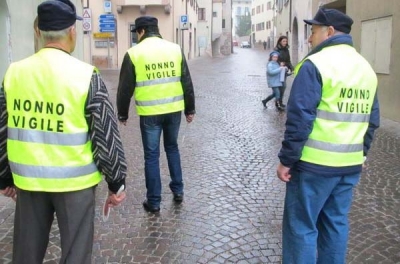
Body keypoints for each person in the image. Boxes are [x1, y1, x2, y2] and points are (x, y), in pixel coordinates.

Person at [0, 1, 127, 263]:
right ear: (71, 32)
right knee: (76, 255)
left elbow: (2, 128)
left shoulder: (14, 73)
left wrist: (3, 178)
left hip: (29, 182)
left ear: (39, 32)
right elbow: (105, 136)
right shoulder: (85, 76)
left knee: (26, 255)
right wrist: (116, 183)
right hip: (75, 185)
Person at [276, 7, 380, 264]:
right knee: (335, 224)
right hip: (349, 165)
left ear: (329, 31)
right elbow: (372, 120)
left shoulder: (315, 64)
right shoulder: (365, 67)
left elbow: (300, 119)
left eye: (313, 32)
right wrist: (361, 153)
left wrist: (287, 159)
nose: (310, 38)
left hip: (313, 167)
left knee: (301, 226)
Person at [117, 16, 195, 213]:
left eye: (137, 33)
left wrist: (122, 113)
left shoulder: (134, 53)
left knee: (151, 156)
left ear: (141, 31)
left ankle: (154, 202)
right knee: (172, 148)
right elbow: (186, 80)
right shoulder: (174, 49)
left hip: (150, 113)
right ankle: (178, 191)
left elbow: (125, 88)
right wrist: (190, 109)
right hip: (173, 110)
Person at [274, 36, 294, 108]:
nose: (285, 43)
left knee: (283, 87)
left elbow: (288, 61)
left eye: (286, 41)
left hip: (284, 70)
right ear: (280, 41)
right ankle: (278, 101)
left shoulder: (286, 50)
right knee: (280, 87)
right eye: (283, 41)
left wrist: (292, 68)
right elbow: (273, 60)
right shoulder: (276, 50)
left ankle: (279, 101)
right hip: (278, 70)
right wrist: (280, 63)